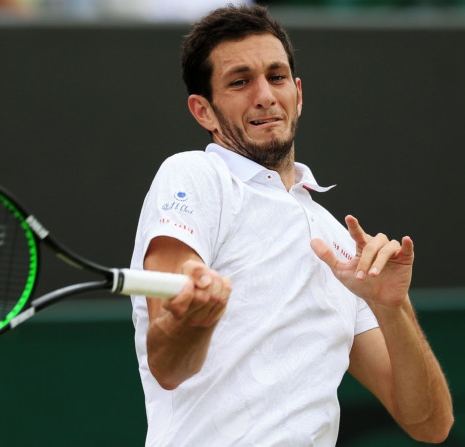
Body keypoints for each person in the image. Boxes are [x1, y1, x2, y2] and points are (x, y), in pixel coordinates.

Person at [129, 4, 453, 446]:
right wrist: (196, 319)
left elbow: (430, 424)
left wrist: (394, 308)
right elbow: (169, 366)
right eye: (240, 81)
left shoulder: (339, 243)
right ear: (203, 112)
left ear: (297, 93)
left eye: (276, 77)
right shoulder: (194, 176)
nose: (264, 95)